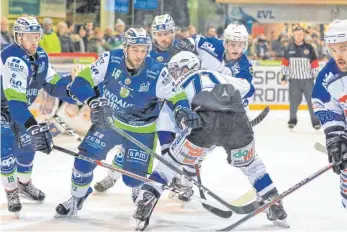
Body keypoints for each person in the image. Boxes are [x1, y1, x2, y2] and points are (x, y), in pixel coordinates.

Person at [55, 28, 200, 218]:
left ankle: (133, 180)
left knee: (133, 181)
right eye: (135, 50)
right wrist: (93, 101)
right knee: (83, 162)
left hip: (142, 129)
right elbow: (81, 82)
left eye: (143, 50)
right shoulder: (109, 60)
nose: (140, 56)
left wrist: (182, 109)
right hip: (110, 122)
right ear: (125, 48)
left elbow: (177, 95)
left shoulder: (157, 71)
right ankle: (76, 198)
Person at [133, 52, 288, 229]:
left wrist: (169, 148)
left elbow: (166, 118)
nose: (173, 75)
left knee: (167, 165)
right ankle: (273, 201)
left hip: (202, 126)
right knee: (253, 165)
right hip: (237, 122)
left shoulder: (177, 86)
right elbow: (248, 89)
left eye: (176, 70)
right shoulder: (218, 75)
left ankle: (146, 201)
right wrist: (238, 119)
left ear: (186, 67)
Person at [93, 14, 180, 192]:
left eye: (168, 33)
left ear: (174, 32)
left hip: (169, 107)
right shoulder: (144, 49)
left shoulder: (180, 51)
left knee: (172, 147)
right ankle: (115, 176)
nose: (164, 37)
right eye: (160, 33)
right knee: (131, 146)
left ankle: (178, 179)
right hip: (144, 109)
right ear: (153, 34)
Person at [0, 16, 75, 214]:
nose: (33, 41)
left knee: (27, 146)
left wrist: (75, 84)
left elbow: (54, 84)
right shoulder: (12, 57)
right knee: (5, 143)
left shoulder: (41, 55)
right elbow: (15, 102)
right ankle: (11, 190)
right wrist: (33, 126)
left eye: (36, 36)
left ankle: (24, 184)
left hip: (18, 108)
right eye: (28, 37)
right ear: (18, 37)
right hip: (3, 107)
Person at [312, 19, 347, 209]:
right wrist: (336, 140)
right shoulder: (328, 77)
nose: (338, 55)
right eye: (333, 50)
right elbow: (327, 109)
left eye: (343, 48)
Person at [280, 26, 321, 129]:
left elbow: (314, 64)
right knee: (293, 102)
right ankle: (292, 120)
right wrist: (284, 77)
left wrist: (317, 78)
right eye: (297, 34)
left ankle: (315, 122)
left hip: (308, 80)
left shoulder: (309, 48)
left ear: (303, 36)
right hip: (294, 81)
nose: (299, 36)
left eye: (301, 34)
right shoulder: (289, 48)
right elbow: (284, 64)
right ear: (294, 35)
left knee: (312, 102)